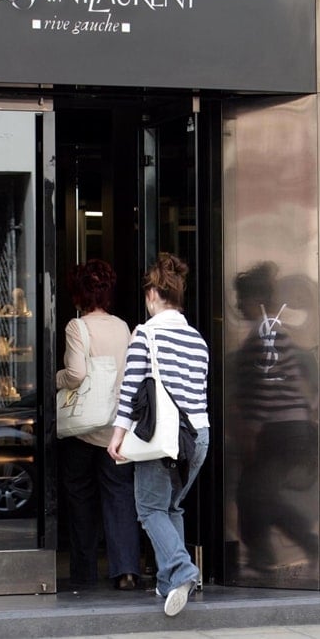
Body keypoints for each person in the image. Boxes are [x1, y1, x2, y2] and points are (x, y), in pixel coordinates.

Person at [108, 253, 210, 617]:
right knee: (170, 507)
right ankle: (168, 584)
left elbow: (130, 391)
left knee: (149, 510)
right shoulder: (198, 340)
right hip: (198, 436)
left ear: (152, 293)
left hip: (162, 438)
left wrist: (117, 435)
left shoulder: (145, 336)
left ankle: (182, 571)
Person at [56, 259, 142, 590]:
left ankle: (84, 570)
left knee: (81, 498)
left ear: (78, 293)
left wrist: (56, 378)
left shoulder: (78, 327)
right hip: (116, 426)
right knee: (119, 496)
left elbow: (76, 375)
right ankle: (126, 570)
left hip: (84, 429)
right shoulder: (122, 326)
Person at [233, 261, 320, 574]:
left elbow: (265, 387)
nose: (237, 306)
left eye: (241, 299)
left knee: (256, 494)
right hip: (287, 427)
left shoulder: (265, 336)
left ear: (254, 301)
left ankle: (279, 552)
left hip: (279, 429)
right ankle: (266, 553)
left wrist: (252, 430)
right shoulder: (273, 334)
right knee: (256, 493)